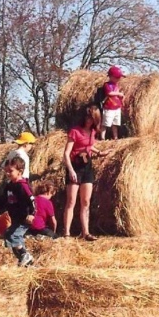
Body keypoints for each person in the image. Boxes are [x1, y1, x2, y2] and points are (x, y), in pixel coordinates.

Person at [63, 103, 109, 241]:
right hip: (74, 167)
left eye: (92, 118)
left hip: (87, 167)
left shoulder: (93, 132)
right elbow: (66, 154)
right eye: (88, 117)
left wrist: (100, 153)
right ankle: (66, 233)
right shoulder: (75, 131)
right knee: (71, 201)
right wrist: (71, 170)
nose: (89, 120)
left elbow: (89, 146)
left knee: (86, 201)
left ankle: (86, 233)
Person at [0, 156, 36, 267]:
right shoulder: (9, 186)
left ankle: (25, 255)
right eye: (6, 171)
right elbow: (2, 200)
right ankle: (25, 261)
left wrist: (31, 214)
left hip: (24, 218)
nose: (7, 173)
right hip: (15, 218)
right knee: (9, 235)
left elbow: (32, 201)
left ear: (20, 171)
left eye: (10, 171)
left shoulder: (23, 186)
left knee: (13, 236)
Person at [100, 66, 125, 140]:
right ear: (111, 77)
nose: (119, 79)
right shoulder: (107, 85)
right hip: (109, 108)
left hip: (116, 108)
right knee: (105, 123)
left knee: (115, 124)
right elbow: (109, 93)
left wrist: (121, 97)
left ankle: (115, 137)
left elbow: (116, 94)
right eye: (117, 77)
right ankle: (102, 137)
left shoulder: (116, 85)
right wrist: (118, 94)